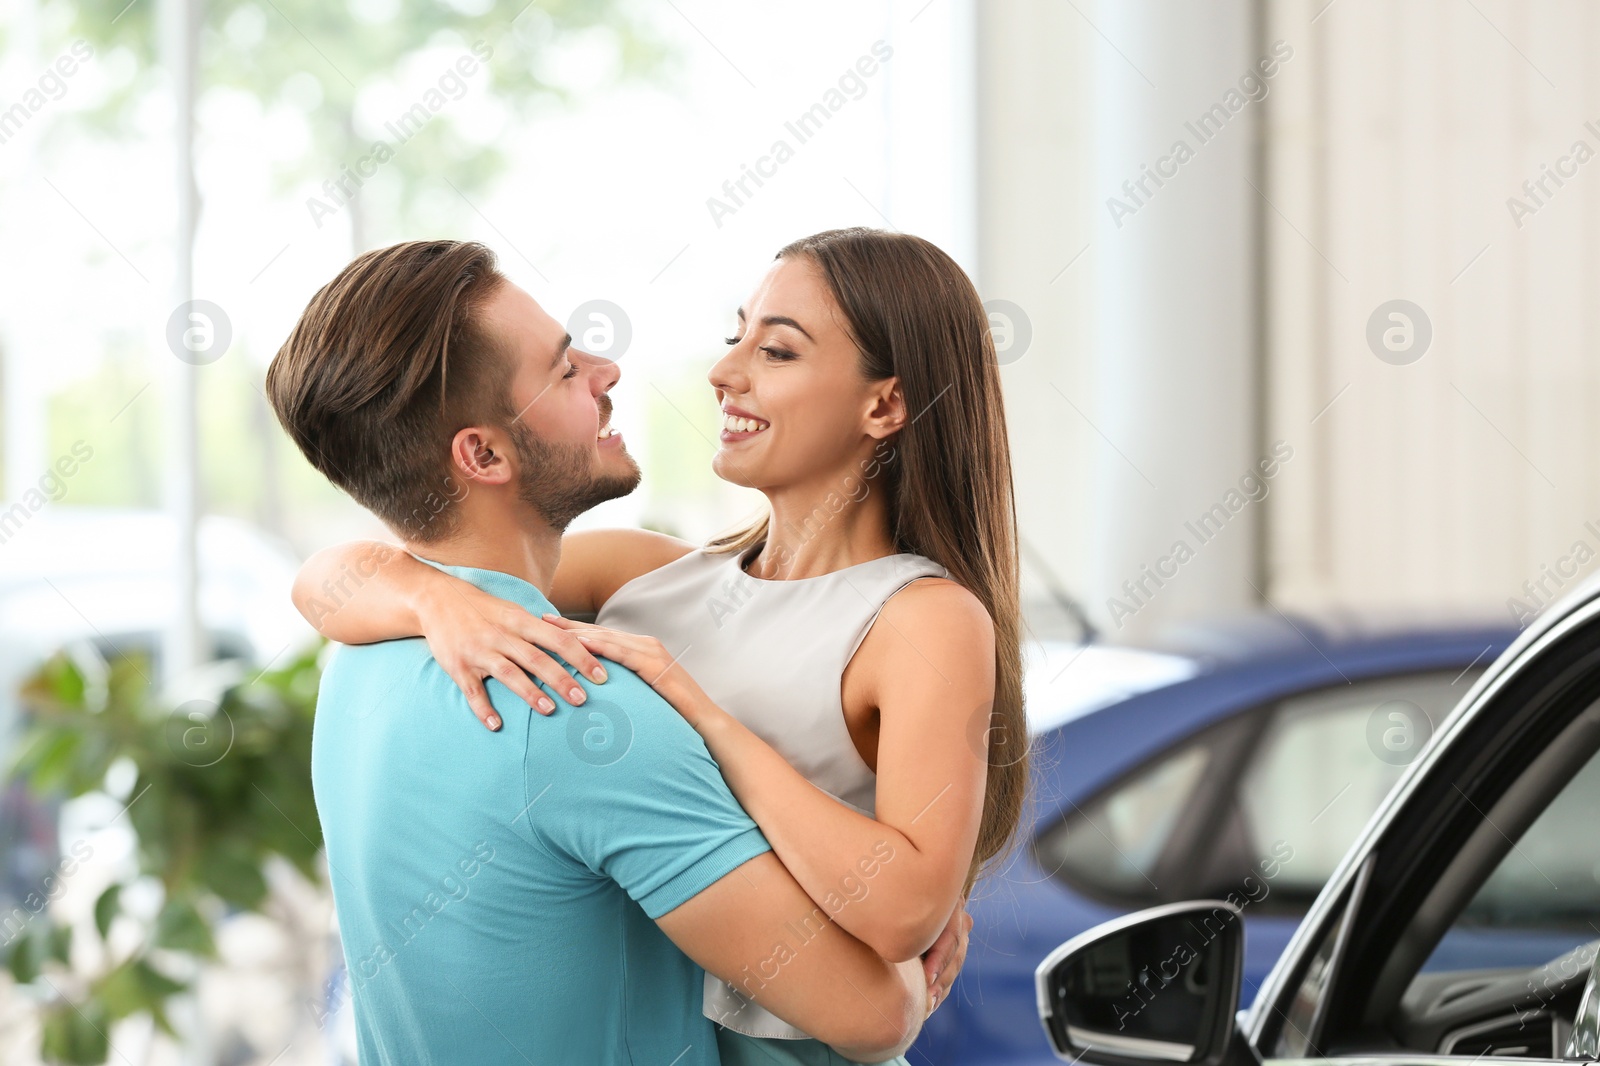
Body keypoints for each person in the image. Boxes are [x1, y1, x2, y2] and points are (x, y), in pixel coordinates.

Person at [295, 228, 1027, 1064]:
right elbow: (328, 582)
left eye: (777, 351)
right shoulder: (646, 576)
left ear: (884, 406)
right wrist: (433, 598)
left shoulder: (922, 617)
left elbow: (904, 914)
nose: (724, 372)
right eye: (735, 337)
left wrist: (707, 722)